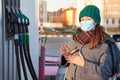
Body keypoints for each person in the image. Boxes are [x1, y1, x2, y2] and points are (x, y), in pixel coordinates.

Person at [60, 5, 120, 80]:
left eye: (88, 19)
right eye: (82, 19)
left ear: (96, 22)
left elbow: (104, 74)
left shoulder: (104, 44)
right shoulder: (76, 40)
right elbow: (68, 64)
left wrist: (83, 64)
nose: (85, 22)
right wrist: (67, 56)